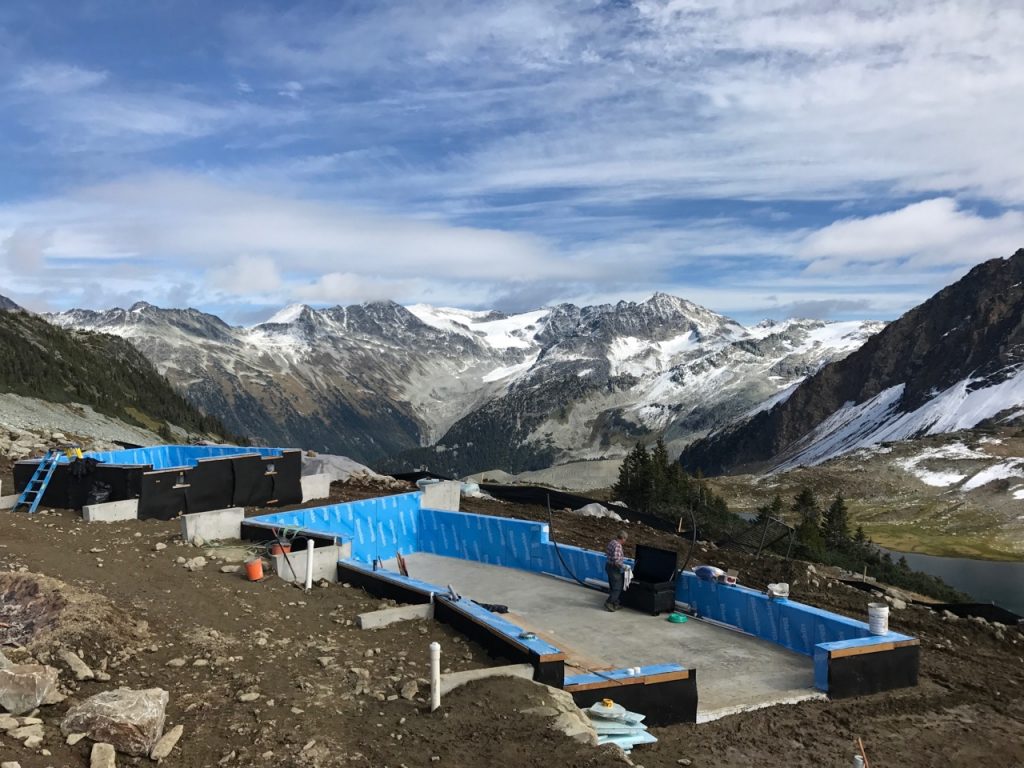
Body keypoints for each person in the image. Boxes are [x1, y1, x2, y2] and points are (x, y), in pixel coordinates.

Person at [604, 530, 628, 611]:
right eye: (625, 539)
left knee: (612, 586)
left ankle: (616, 603)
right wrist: (623, 566)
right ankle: (609, 602)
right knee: (617, 587)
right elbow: (616, 561)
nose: (625, 541)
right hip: (614, 568)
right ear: (623, 538)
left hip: (608, 566)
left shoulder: (612, 542)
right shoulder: (618, 546)